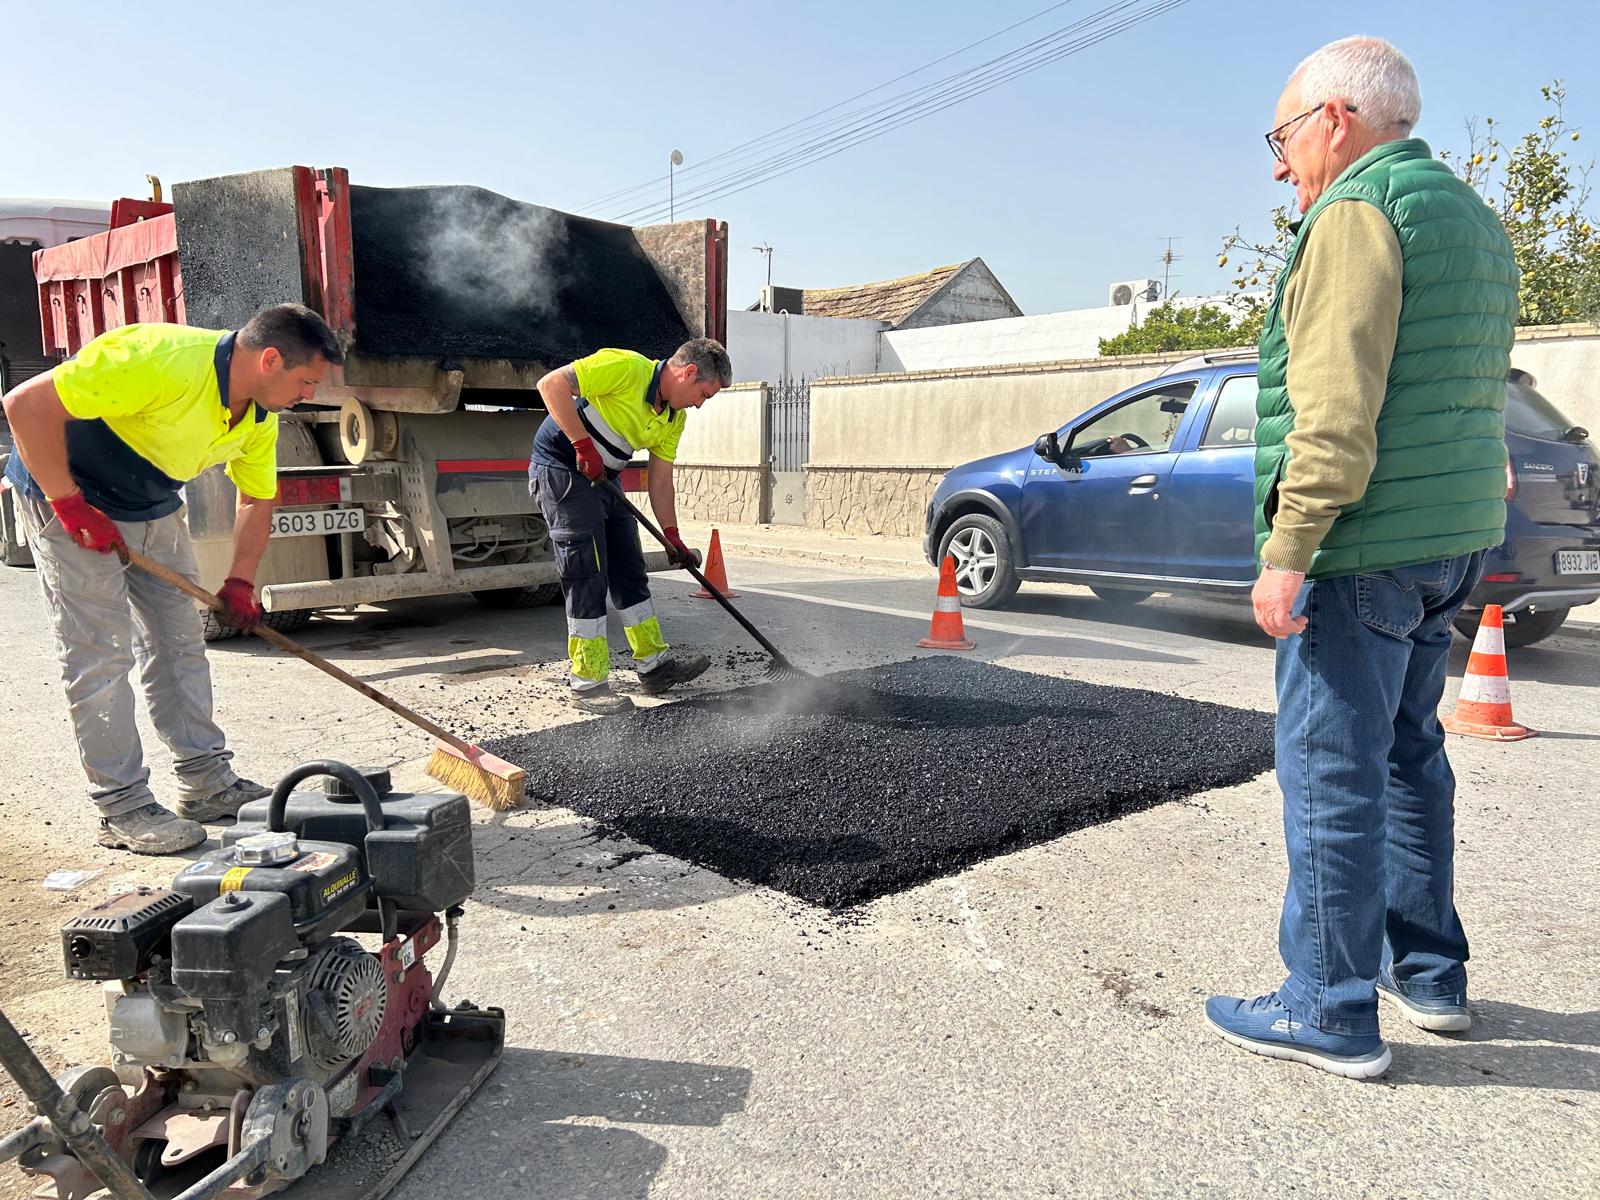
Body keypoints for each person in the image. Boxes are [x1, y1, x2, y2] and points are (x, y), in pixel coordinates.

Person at [1205, 37, 1517, 1078]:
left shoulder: (1352, 215)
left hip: (1364, 547)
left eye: (1283, 136)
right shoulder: (1468, 216)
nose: (1280, 163)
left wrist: (1288, 549)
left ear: (1334, 120)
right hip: (1452, 539)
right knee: (1407, 757)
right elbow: (1461, 382)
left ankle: (1325, 1007)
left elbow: (1336, 406)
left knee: (1331, 771)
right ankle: (1425, 975)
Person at [1, 304, 344, 854]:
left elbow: (257, 496)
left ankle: (205, 781)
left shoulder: (259, 416)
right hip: (65, 489)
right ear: (270, 359)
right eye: (305, 381)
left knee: (179, 642)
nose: (308, 393)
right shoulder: (159, 358)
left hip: (150, 502)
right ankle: (121, 806)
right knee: (100, 652)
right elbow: (23, 403)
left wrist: (239, 582)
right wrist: (69, 505)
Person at [530, 338, 732, 714]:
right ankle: (587, 684)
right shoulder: (627, 368)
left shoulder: (674, 417)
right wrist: (581, 444)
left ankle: (654, 666)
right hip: (562, 466)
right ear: (688, 373)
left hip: (606, 476)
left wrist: (672, 535)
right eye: (703, 393)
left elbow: (660, 480)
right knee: (586, 573)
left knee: (629, 570)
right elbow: (551, 385)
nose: (701, 404)